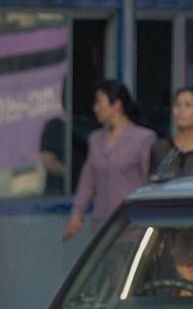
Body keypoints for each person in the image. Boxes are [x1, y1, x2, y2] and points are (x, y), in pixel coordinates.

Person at [63, 80, 159, 238]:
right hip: (102, 226)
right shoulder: (95, 139)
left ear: (116, 105)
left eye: (100, 102)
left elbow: (149, 181)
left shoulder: (144, 138)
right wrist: (77, 212)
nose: (96, 108)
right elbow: (88, 180)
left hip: (132, 225)